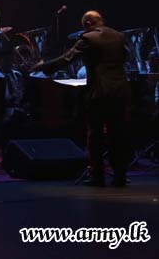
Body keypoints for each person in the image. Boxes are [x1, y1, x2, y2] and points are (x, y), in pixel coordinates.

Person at [32, 11, 131, 187]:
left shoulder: (88, 39)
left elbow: (67, 59)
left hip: (99, 91)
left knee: (95, 135)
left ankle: (97, 176)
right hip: (121, 90)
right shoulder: (119, 36)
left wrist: (43, 66)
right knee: (119, 134)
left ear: (87, 24)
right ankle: (120, 176)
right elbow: (126, 57)